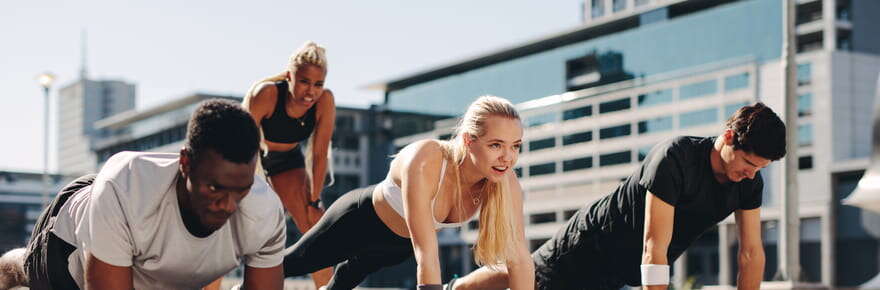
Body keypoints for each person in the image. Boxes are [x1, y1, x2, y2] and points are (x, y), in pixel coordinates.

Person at [450, 102, 786, 290]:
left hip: (621, 270)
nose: (751, 173)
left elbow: (750, 254)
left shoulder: (748, 183)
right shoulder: (677, 158)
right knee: (531, 273)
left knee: (531, 266)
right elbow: (654, 245)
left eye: (759, 168)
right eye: (747, 162)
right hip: (591, 244)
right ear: (728, 137)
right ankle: (456, 289)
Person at [0, 99, 286, 290]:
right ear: (185, 163)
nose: (227, 205)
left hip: (147, 264)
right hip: (69, 241)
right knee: (22, 269)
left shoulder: (264, 212)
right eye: (214, 188)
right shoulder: (125, 191)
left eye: (241, 191)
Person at [282, 96, 535, 290]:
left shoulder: (504, 182)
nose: (508, 157)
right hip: (358, 222)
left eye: (515, 146)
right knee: (290, 264)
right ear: (469, 140)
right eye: (496, 145)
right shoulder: (427, 159)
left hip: (397, 248)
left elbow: (519, 259)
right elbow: (427, 254)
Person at [242, 41, 336, 287]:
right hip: (251, 157)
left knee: (317, 228)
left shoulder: (325, 101)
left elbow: (319, 152)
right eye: (304, 81)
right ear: (289, 76)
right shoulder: (267, 93)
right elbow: (244, 145)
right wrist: (246, 191)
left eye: (318, 84)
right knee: (228, 226)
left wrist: (315, 201)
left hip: (288, 163)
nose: (311, 92)